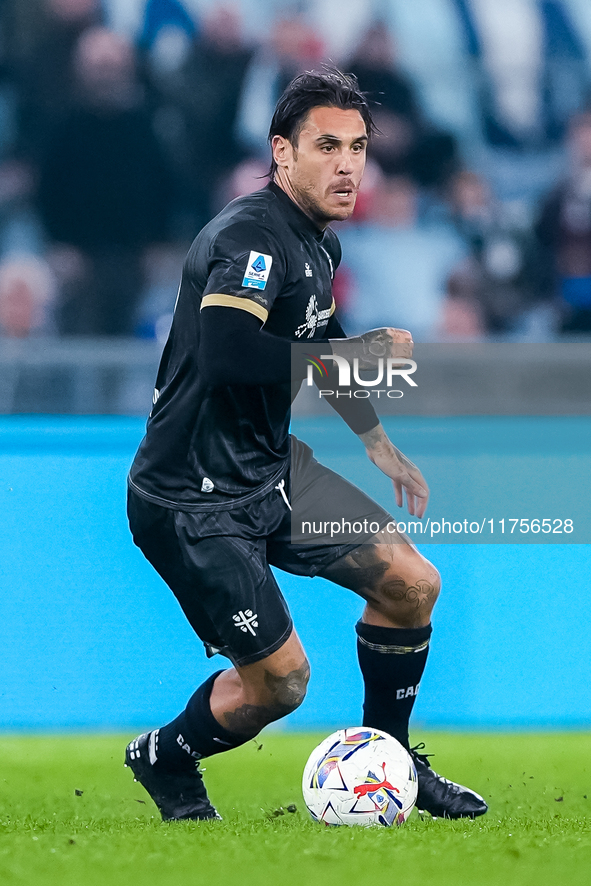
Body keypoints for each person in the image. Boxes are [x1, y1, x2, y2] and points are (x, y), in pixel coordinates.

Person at [125, 67, 488, 822]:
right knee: (280, 685)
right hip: (194, 500)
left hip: (271, 469)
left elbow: (313, 342)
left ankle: (391, 766)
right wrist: (357, 353)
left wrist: (377, 441)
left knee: (411, 585)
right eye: (327, 145)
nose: (348, 164)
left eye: (357, 147)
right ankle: (166, 755)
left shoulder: (318, 246)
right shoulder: (250, 239)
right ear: (282, 152)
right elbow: (230, 356)